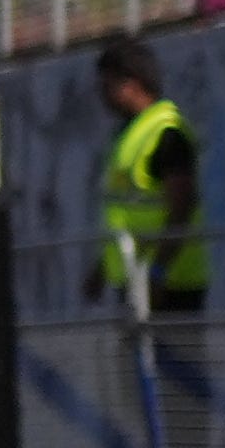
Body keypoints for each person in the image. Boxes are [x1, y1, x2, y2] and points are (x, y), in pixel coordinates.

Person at [92, 38, 211, 313]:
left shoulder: (166, 133)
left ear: (131, 84)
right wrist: (101, 268)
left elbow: (181, 207)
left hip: (170, 282)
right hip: (136, 278)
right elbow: (123, 210)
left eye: (106, 85)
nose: (102, 95)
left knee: (172, 356)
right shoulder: (128, 134)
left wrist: (158, 272)